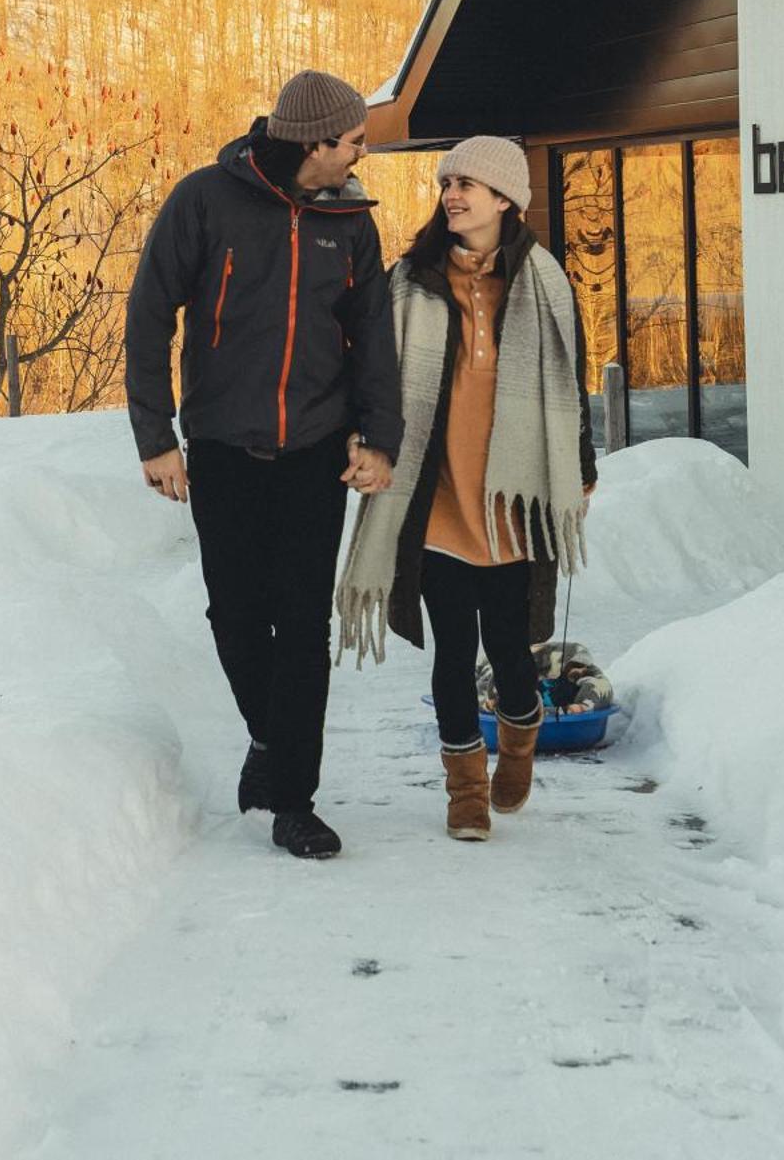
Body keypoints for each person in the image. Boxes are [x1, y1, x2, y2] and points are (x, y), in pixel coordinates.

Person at [125, 70, 403, 860]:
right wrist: (156, 436)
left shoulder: (349, 221)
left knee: (302, 626)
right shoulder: (204, 201)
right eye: (352, 142)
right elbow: (148, 318)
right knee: (236, 616)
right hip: (222, 448)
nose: (359, 155)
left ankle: (294, 799)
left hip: (314, 454)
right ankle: (271, 741)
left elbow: (372, 340)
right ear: (313, 141)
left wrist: (378, 439)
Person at [334, 136, 596, 842]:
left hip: (512, 503)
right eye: (447, 182)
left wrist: (582, 469)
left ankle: (520, 732)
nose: (452, 193)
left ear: (505, 199)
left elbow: (571, 385)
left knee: (510, 650)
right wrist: (365, 436)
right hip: (438, 495)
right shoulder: (411, 280)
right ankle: (465, 792)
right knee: (453, 649)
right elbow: (377, 379)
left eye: (468, 184)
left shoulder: (543, 280)